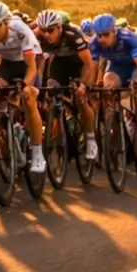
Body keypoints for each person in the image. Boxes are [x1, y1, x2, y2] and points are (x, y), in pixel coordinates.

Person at [0, 1, 44, 166]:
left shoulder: (20, 30)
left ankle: (37, 152)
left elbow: (32, 68)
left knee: (28, 98)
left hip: (29, 63)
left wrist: (26, 85)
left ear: (6, 22)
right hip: (7, 65)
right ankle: (3, 130)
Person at [33, 9, 98, 160]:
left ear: (59, 27)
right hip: (60, 63)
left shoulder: (72, 35)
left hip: (78, 63)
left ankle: (90, 139)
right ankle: (55, 124)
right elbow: (38, 65)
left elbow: (88, 64)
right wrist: (38, 89)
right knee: (50, 88)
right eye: (44, 31)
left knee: (81, 99)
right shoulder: (37, 37)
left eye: (51, 30)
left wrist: (82, 84)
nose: (47, 34)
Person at [87, 13, 137, 154]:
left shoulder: (128, 39)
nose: (101, 39)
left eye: (105, 35)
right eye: (98, 35)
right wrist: (90, 85)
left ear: (114, 31)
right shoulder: (94, 43)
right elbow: (92, 67)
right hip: (117, 67)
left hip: (136, 66)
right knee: (107, 88)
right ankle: (116, 122)